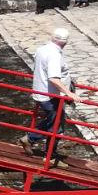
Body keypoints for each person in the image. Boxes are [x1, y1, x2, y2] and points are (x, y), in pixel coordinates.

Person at [28, 26, 78, 156]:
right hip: (51, 95)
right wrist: (69, 92)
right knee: (56, 126)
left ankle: (48, 152)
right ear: (65, 42)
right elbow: (54, 79)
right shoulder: (54, 55)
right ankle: (32, 140)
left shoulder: (42, 49)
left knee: (54, 123)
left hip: (40, 91)